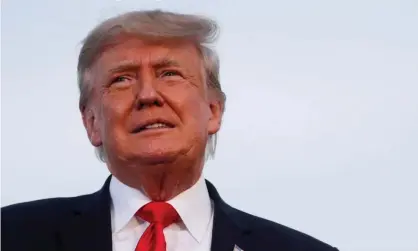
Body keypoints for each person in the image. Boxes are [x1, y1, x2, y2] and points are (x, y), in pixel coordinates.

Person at [1, 10, 338, 251]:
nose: (148, 95)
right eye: (122, 79)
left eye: (170, 74)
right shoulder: (11, 235)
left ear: (213, 111)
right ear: (91, 123)